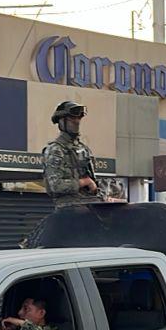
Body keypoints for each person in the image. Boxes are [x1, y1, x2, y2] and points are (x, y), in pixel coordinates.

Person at [23, 101, 102, 248]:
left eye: (79, 119)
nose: (77, 122)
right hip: (68, 213)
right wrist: (82, 182)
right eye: (73, 119)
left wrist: (98, 190)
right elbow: (55, 186)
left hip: (90, 210)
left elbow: (94, 181)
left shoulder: (84, 149)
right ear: (62, 122)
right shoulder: (55, 150)